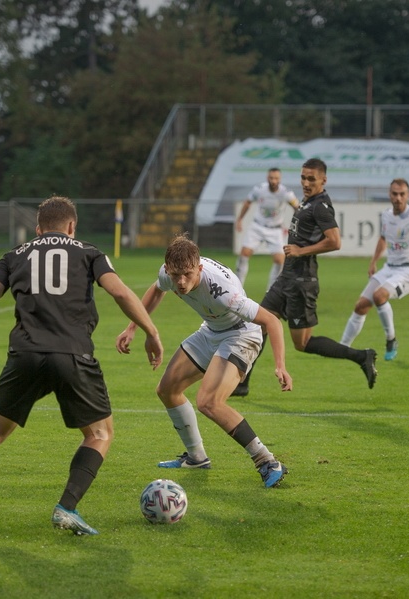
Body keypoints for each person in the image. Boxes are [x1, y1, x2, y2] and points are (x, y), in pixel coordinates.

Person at [0, 196, 163, 536]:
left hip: (24, 355)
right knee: (100, 433)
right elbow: (121, 293)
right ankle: (66, 507)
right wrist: (151, 331)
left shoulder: (14, 255)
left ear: (38, 229)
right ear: (72, 227)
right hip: (73, 355)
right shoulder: (88, 252)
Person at [115, 235, 293, 488]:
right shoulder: (169, 274)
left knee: (209, 402)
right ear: (168, 268)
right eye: (175, 275)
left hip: (241, 334)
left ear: (199, 268)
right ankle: (196, 457)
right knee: (167, 390)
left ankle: (267, 461)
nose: (181, 282)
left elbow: (271, 321)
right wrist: (133, 327)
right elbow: (157, 289)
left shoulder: (222, 292)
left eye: (187, 274)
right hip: (211, 330)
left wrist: (280, 365)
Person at [233, 158, 377, 397]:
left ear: (323, 180)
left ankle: (362, 356)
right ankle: (242, 382)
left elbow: (335, 241)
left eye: (312, 178)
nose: (306, 182)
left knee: (302, 344)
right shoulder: (307, 201)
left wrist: (301, 251)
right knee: (259, 324)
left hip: (302, 282)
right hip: (286, 277)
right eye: (303, 177)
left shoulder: (321, 206)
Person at [340, 179, 409, 361]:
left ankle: (391, 340)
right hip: (389, 268)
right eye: (394, 194)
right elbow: (383, 238)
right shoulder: (386, 215)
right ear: (389, 194)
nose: (398, 198)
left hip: (408, 271)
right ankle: (342, 348)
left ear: (408, 196)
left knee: (379, 295)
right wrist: (373, 261)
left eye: (402, 194)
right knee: (360, 305)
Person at [235, 167, 299, 290]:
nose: (273, 181)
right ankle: (237, 288)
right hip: (257, 226)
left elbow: (297, 207)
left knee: (280, 261)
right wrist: (240, 219)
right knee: (244, 254)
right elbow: (248, 202)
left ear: (280, 179)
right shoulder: (259, 189)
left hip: (275, 229)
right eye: (271, 178)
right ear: (267, 178)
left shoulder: (285, 193)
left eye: (276, 178)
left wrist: (299, 223)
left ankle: (270, 291)